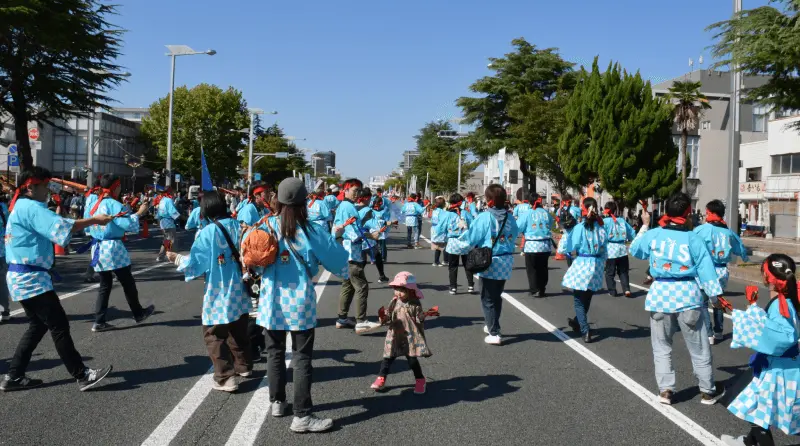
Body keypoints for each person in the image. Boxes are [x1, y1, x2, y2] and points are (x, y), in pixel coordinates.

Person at [248, 178, 350, 433]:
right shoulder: (311, 230)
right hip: (299, 302)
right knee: (302, 357)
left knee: (274, 352)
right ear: (305, 202)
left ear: (278, 200)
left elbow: (252, 258)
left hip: (270, 302)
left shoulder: (266, 225)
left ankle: (277, 402)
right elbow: (338, 259)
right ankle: (302, 415)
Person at [1, 166, 114, 392]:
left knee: (38, 326)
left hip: (23, 275)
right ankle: (82, 374)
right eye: (45, 185)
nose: (48, 190)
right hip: (31, 278)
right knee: (59, 325)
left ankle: (14, 376)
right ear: (31, 187)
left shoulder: (21, 206)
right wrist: (95, 220)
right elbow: (62, 227)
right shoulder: (31, 207)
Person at [629, 192, 726, 406]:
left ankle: (666, 391)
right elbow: (706, 271)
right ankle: (707, 391)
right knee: (699, 347)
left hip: (660, 295)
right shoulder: (694, 238)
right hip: (688, 296)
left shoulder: (655, 234)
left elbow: (635, 249)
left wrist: (644, 225)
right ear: (688, 212)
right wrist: (715, 298)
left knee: (661, 346)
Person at [167, 191, 252, 393]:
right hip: (241, 286)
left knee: (214, 333)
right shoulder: (239, 226)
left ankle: (225, 377)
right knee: (238, 326)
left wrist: (177, 259)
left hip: (219, 288)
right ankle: (244, 366)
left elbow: (196, 263)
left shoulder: (208, 232)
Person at [720, 254, 800, 446]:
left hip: (777, 369)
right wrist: (752, 306)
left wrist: (738, 317)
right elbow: (771, 325)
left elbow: (783, 337)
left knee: (754, 409)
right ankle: (748, 442)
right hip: (781, 365)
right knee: (757, 407)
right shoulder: (784, 299)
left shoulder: (782, 304)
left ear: (766, 277)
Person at [86, 174, 155, 332]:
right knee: (127, 281)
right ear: (115, 187)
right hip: (112, 247)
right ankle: (138, 313)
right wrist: (140, 213)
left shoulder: (94, 204)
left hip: (97, 246)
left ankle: (99, 321)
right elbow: (128, 225)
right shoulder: (114, 204)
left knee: (105, 285)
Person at [461, 185, 519, 345]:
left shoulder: (485, 217)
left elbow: (472, 237)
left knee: (487, 298)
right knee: (496, 295)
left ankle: (494, 332)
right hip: (506, 261)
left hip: (489, 260)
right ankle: (492, 323)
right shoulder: (510, 217)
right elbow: (514, 234)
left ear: (489, 200)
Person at [370, 272, 438, 394]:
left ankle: (420, 379)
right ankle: (381, 378)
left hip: (409, 335)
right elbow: (389, 315)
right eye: (396, 289)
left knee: (412, 360)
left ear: (410, 290)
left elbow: (418, 318)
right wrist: (383, 317)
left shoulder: (415, 303)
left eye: (402, 290)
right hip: (395, 334)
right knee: (388, 357)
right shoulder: (394, 301)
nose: (398, 293)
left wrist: (424, 315)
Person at [693, 199, 749, 345]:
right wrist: (745, 257)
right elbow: (740, 249)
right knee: (718, 301)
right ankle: (718, 332)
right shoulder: (728, 232)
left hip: (707, 270)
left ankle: (709, 334)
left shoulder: (703, 229)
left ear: (710, 213)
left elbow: (691, 243)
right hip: (722, 270)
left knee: (703, 302)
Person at [333, 179, 381, 333]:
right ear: (345, 190)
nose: (357, 194)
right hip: (351, 252)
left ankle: (342, 318)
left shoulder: (344, 206)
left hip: (345, 252)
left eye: (359, 190)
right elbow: (353, 233)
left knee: (347, 285)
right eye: (354, 190)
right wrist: (371, 235)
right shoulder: (348, 207)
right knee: (361, 285)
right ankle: (361, 321)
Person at [558, 197, 608, 343]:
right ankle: (576, 322)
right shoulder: (601, 228)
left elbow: (566, 248)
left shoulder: (580, 227)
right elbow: (604, 249)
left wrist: (567, 232)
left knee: (579, 300)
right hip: (597, 264)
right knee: (587, 297)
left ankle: (585, 330)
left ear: (585, 209)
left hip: (583, 263)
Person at [516, 193, 554, 298]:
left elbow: (519, 226)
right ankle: (542, 288)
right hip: (545, 244)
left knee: (532, 268)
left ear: (530, 202)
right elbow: (551, 224)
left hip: (532, 245)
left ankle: (534, 289)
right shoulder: (545, 212)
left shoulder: (527, 213)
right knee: (543, 268)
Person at [436, 193, 475, 295]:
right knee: (468, 265)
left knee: (453, 266)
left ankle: (453, 287)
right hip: (466, 242)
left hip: (453, 242)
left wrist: (446, 232)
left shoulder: (447, 214)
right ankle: (470, 285)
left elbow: (439, 229)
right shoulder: (466, 213)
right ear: (461, 203)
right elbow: (473, 226)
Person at [603, 201, 636, 298]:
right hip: (622, 249)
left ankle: (612, 291)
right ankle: (626, 289)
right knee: (623, 271)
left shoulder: (604, 222)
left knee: (610, 272)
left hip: (610, 250)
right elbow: (631, 233)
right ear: (615, 210)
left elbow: (601, 235)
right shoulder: (622, 220)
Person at [356, 188, 390, 283]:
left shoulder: (353, 207)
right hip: (366, 236)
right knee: (376, 255)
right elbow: (375, 224)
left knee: (361, 258)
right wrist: (387, 223)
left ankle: (356, 278)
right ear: (367, 198)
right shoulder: (368, 210)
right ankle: (381, 276)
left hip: (354, 236)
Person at [156, 188, 180, 262]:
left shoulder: (162, 200)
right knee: (173, 240)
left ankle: (161, 256)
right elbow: (172, 212)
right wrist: (182, 217)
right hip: (168, 221)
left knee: (167, 240)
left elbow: (158, 214)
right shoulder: (169, 200)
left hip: (162, 222)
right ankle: (174, 257)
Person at [429, 196, 447, 267]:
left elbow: (431, 218)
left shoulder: (434, 210)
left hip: (434, 229)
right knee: (444, 245)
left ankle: (436, 261)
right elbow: (444, 221)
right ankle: (445, 260)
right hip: (440, 229)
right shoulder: (443, 212)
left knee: (437, 246)